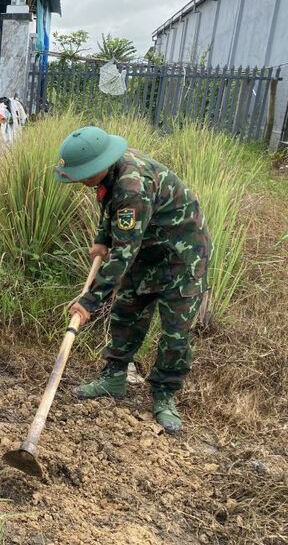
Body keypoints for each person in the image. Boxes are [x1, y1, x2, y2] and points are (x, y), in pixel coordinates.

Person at [54, 126, 211, 435]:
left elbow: (123, 255)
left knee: (175, 333)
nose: (79, 180)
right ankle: (114, 377)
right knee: (127, 312)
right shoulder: (110, 171)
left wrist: (89, 301)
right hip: (146, 249)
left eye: (83, 174)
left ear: (98, 165)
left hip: (182, 257)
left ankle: (164, 394)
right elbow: (109, 208)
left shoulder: (133, 187)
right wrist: (102, 238)